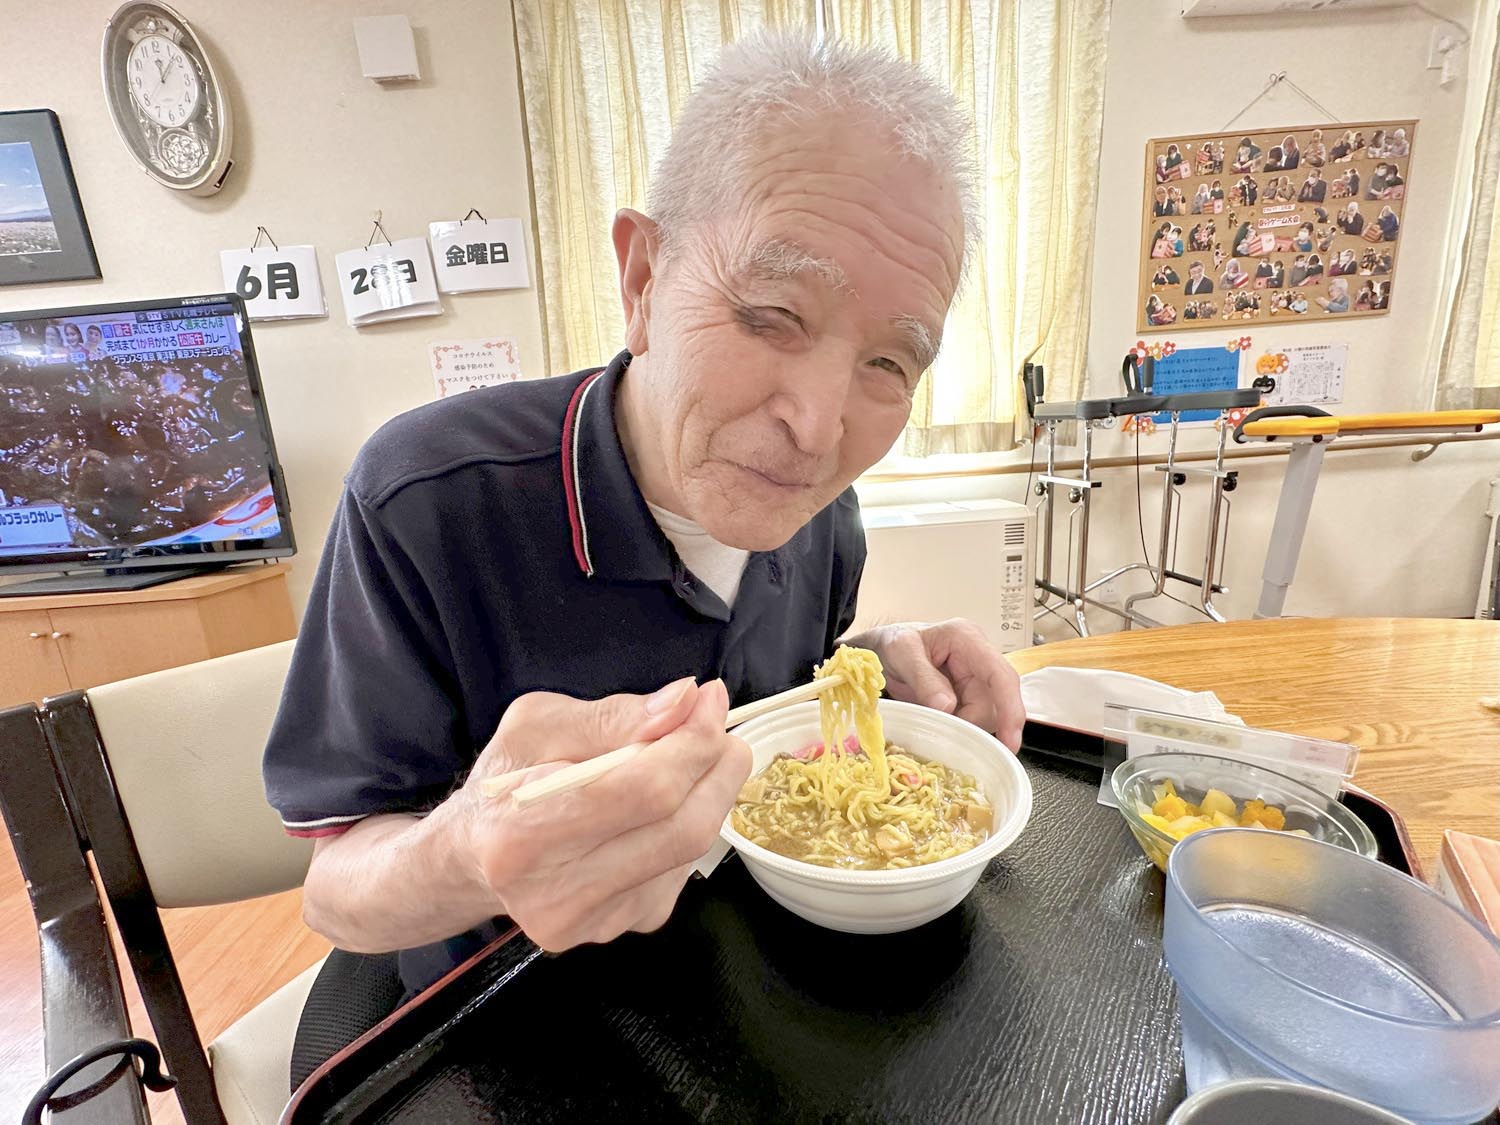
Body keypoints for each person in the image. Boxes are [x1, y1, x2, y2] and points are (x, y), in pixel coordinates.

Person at [264, 30, 1026, 1069]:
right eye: (770, 313)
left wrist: (874, 665)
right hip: (497, 1031)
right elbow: (335, 891)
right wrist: (475, 846)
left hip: (737, 1004)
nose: (817, 425)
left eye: (889, 361)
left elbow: (783, 708)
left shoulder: (824, 523)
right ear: (642, 278)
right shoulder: (425, 502)